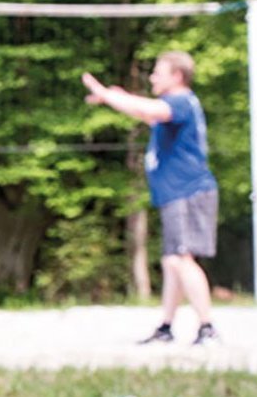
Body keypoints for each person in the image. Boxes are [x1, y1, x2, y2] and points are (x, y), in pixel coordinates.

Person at [83, 51, 220, 346]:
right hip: (176, 194)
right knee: (173, 261)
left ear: (177, 76)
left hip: (188, 192)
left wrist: (107, 94)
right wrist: (116, 99)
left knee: (183, 259)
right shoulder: (173, 108)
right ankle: (166, 328)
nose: (152, 77)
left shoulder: (180, 101)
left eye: (158, 72)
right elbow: (145, 113)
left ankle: (207, 327)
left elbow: (151, 109)